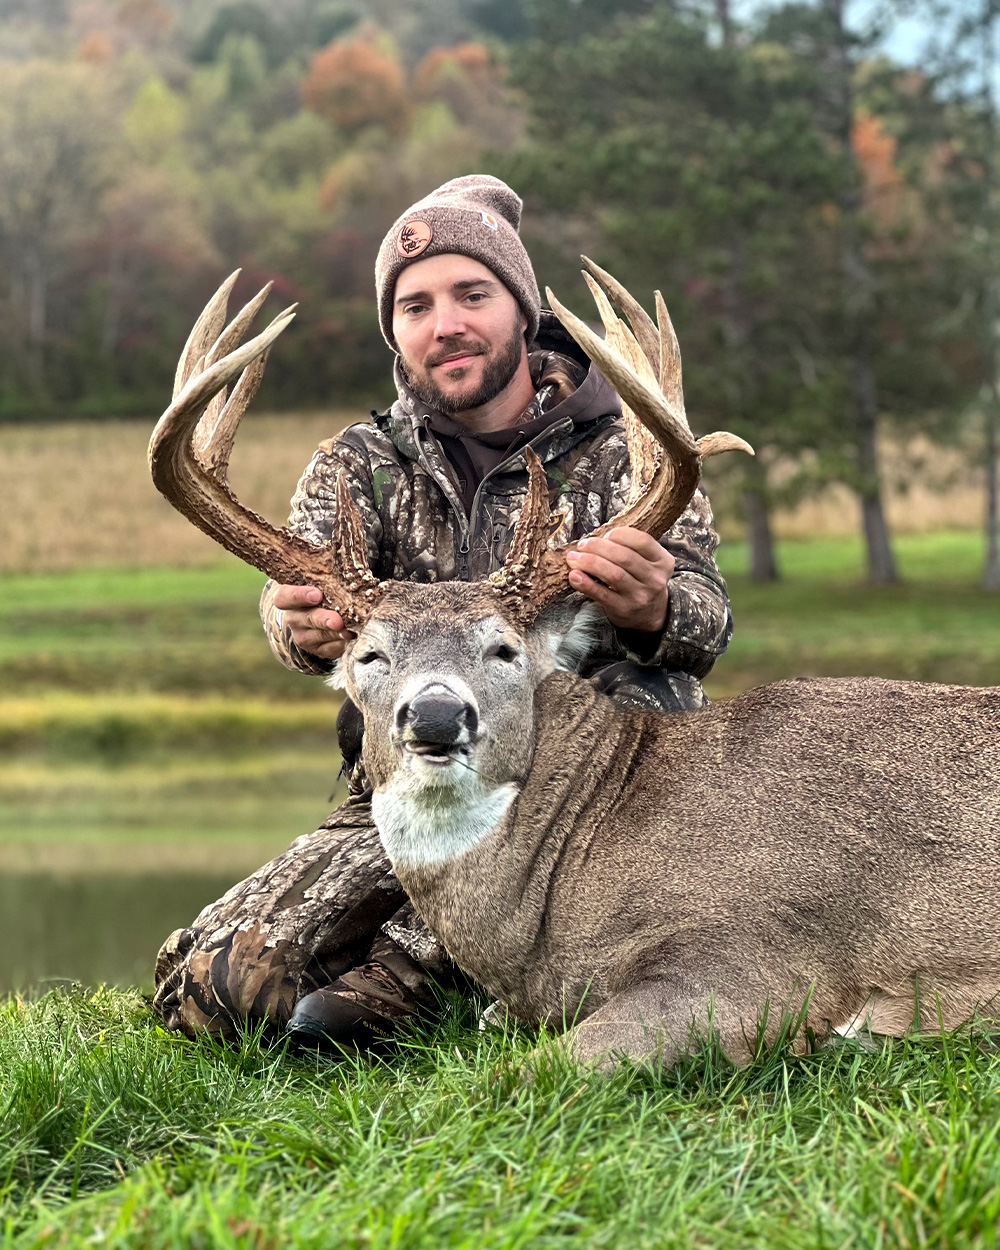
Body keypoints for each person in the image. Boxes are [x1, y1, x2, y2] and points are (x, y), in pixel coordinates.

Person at [152, 174, 733, 1048]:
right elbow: (297, 617)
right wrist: (296, 628)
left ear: (523, 309)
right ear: (395, 331)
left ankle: (427, 972)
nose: (446, 323)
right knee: (220, 991)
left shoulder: (630, 452)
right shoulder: (357, 464)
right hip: (409, 783)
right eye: (416, 305)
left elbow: (707, 624)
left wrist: (655, 606)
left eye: (472, 294)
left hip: (596, 803)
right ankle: (441, 971)